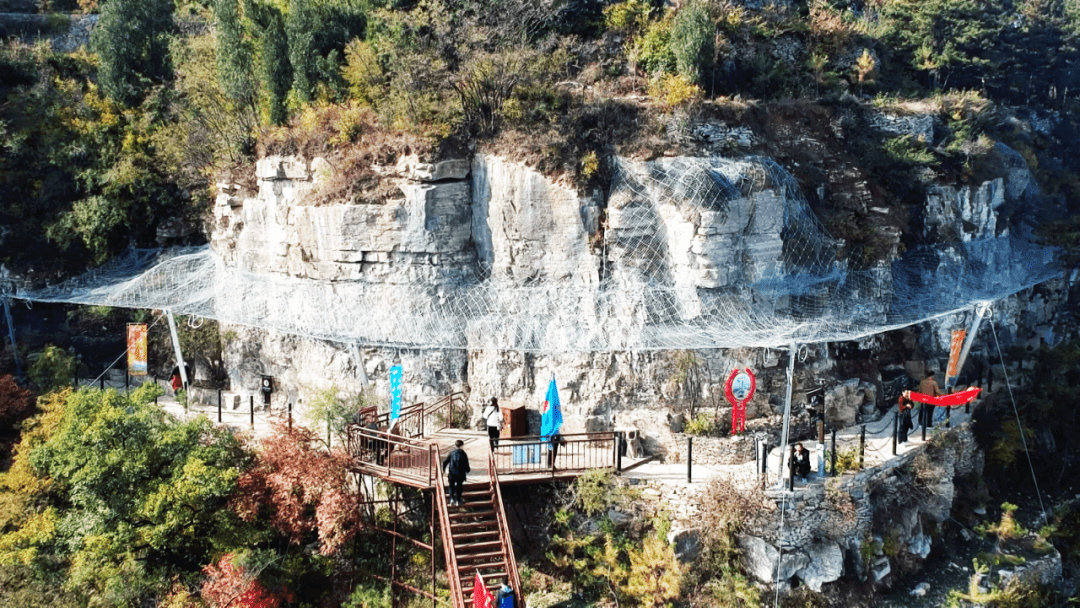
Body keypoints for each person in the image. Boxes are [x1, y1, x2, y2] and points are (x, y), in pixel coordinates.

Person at [442, 439, 470, 506]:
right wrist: (467, 470)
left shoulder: (452, 453)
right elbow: (466, 464)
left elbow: (445, 462)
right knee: (459, 486)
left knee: (451, 485)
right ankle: (458, 500)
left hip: (452, 472)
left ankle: (451, 499)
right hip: (460, 473)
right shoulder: (463, 453)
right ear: (462, 446)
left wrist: (443, 470)